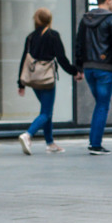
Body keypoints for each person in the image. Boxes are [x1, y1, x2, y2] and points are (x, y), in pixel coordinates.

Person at [16, 8, 81, 155]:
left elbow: (23, 60)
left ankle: (50, 143)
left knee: (46, 111)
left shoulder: (31, 37)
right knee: (46, 112)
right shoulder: (53, 35)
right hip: (46, 79)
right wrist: (75, 72)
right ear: (49, 20)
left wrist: (21, 84)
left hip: (33, 79)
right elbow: (62, 58)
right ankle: (28, 135)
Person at [75, 0, 112, 155]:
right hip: (105, 69)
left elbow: (79, 44)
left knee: (100, 104)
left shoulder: (85, 19)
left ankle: (94, 142)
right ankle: (95, 144)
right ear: (107, 1)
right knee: (102, 105)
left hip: (89, 68)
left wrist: (79, 67)